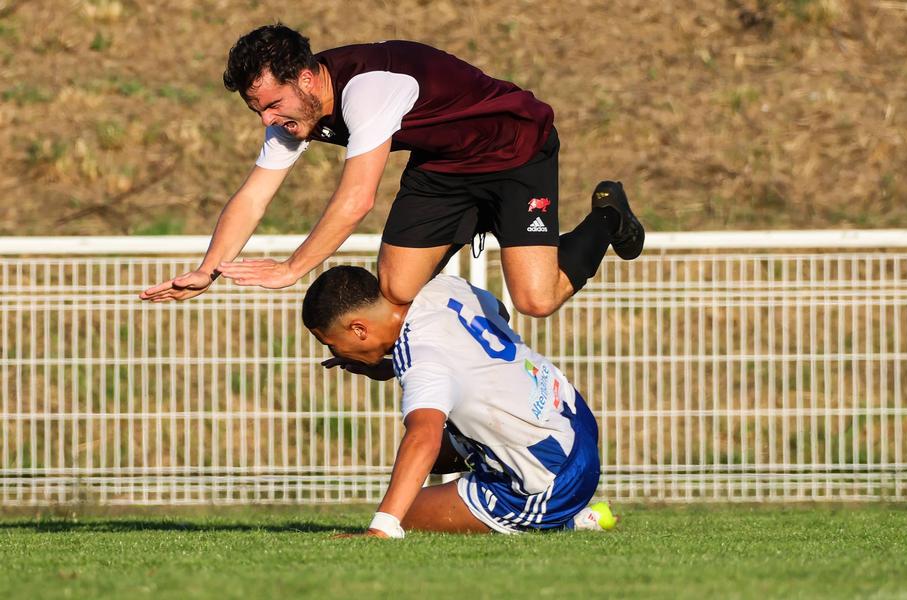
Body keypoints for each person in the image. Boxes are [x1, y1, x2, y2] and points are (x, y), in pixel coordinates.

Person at [140, 24, 643, 318]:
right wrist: (208, 269)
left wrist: (292, 269)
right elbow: (253, 197)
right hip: (443, 167)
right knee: (397, 289)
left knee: (536, 299)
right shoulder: (295, 114)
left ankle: (608, 219)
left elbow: (357, 200)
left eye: (272, 105)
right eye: (258, 111)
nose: (268, 121)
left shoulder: (369, 89)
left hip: (515, 152)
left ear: (308, 78)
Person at [303, 265, 614, 536]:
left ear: (358, 329)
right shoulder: (439, 287)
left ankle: (567, 521)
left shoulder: (421, 360)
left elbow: (423, 437)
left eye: (330, 343)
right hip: (573, 421)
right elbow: (497, 315)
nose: (334, 351)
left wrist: (383, 527)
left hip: (553, 479)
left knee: (406, 511)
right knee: (439, 459)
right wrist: (391, 367)